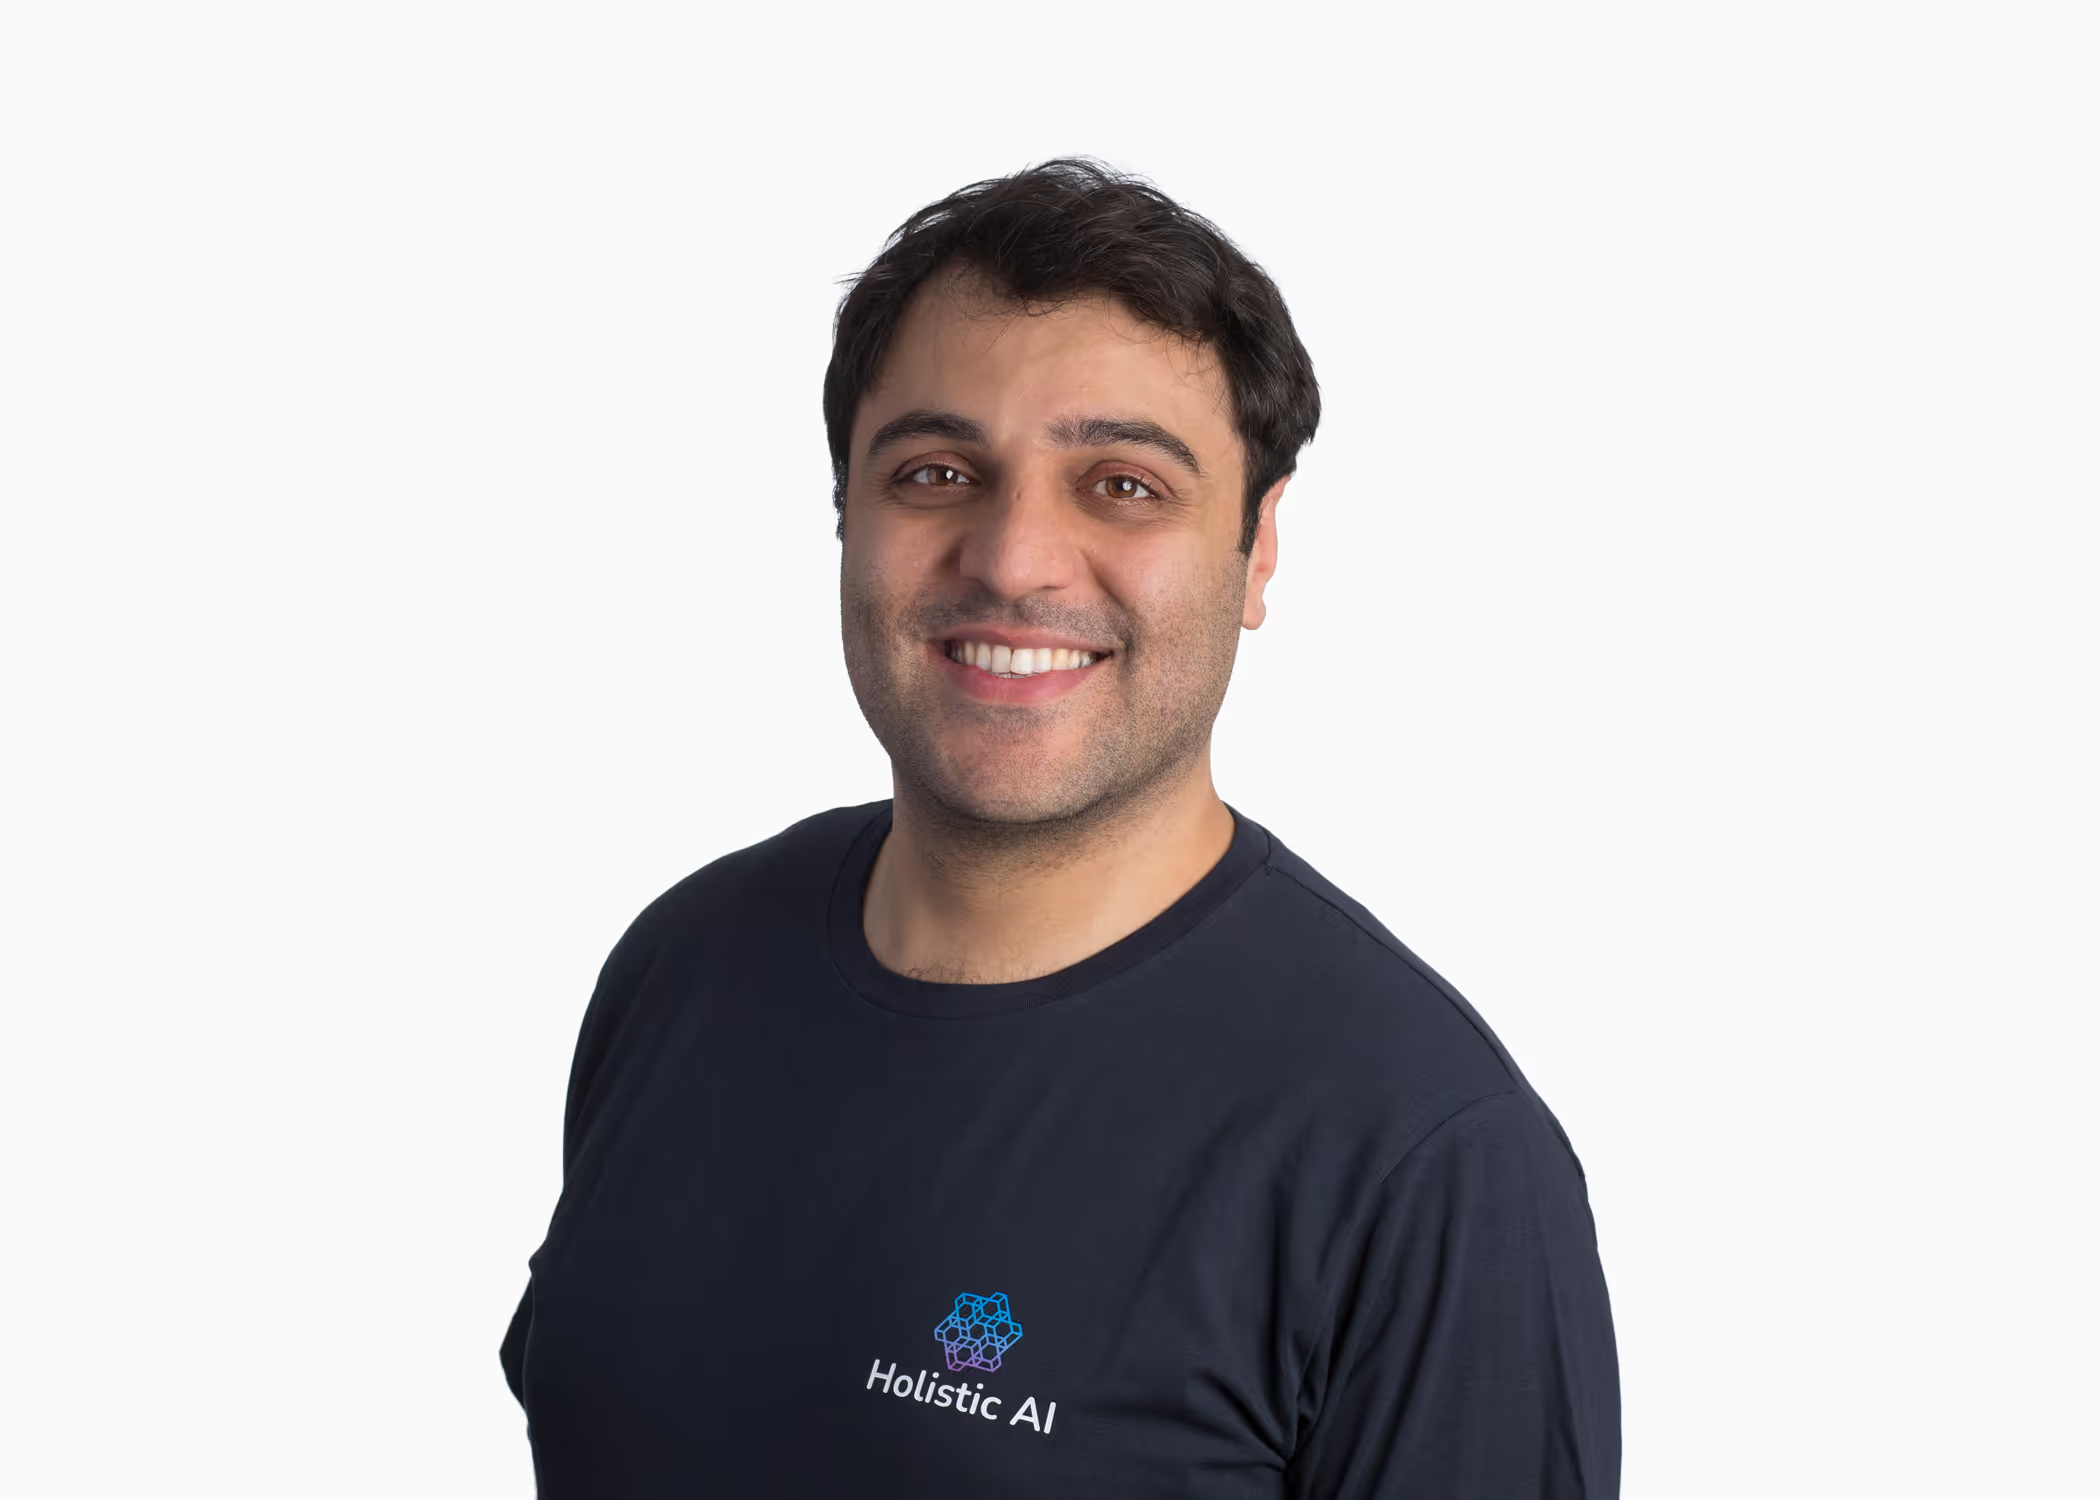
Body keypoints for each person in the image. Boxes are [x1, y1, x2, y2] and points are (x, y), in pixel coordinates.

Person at [500, 158, 1619, 1497]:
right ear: (846, 512)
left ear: (1258, 548)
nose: (1014, 557)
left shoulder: (1422, 1159)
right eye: (936, 471)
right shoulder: (684, 965)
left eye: (1124, 486)